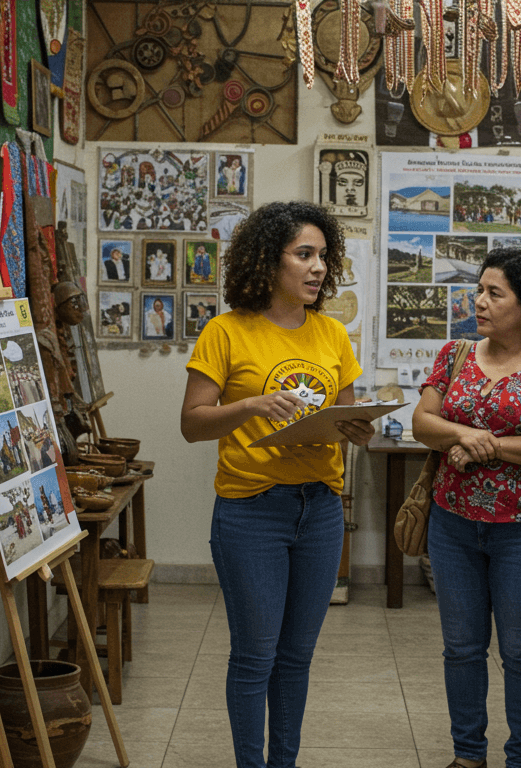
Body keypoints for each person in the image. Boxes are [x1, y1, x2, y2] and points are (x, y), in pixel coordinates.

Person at [180, 201, 373, 768]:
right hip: (251, 512)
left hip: (320, 510)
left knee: (296, 658)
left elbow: (346, 419)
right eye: (304, 254)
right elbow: (192, 423)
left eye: (323, 256)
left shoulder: (332, 333)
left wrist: (357, 428)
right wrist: (251, 406)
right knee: (255, 658)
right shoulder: (225, 331)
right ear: (269, 261)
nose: (318, 267)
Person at [412, 248, 521, 768]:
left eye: (495, 293)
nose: (480, 302)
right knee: (462, 648)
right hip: (453, 526)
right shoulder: (456, 354)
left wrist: (483, 446)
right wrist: (465, 436)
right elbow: (423, 422)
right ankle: (468, 755)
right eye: (479, 290)